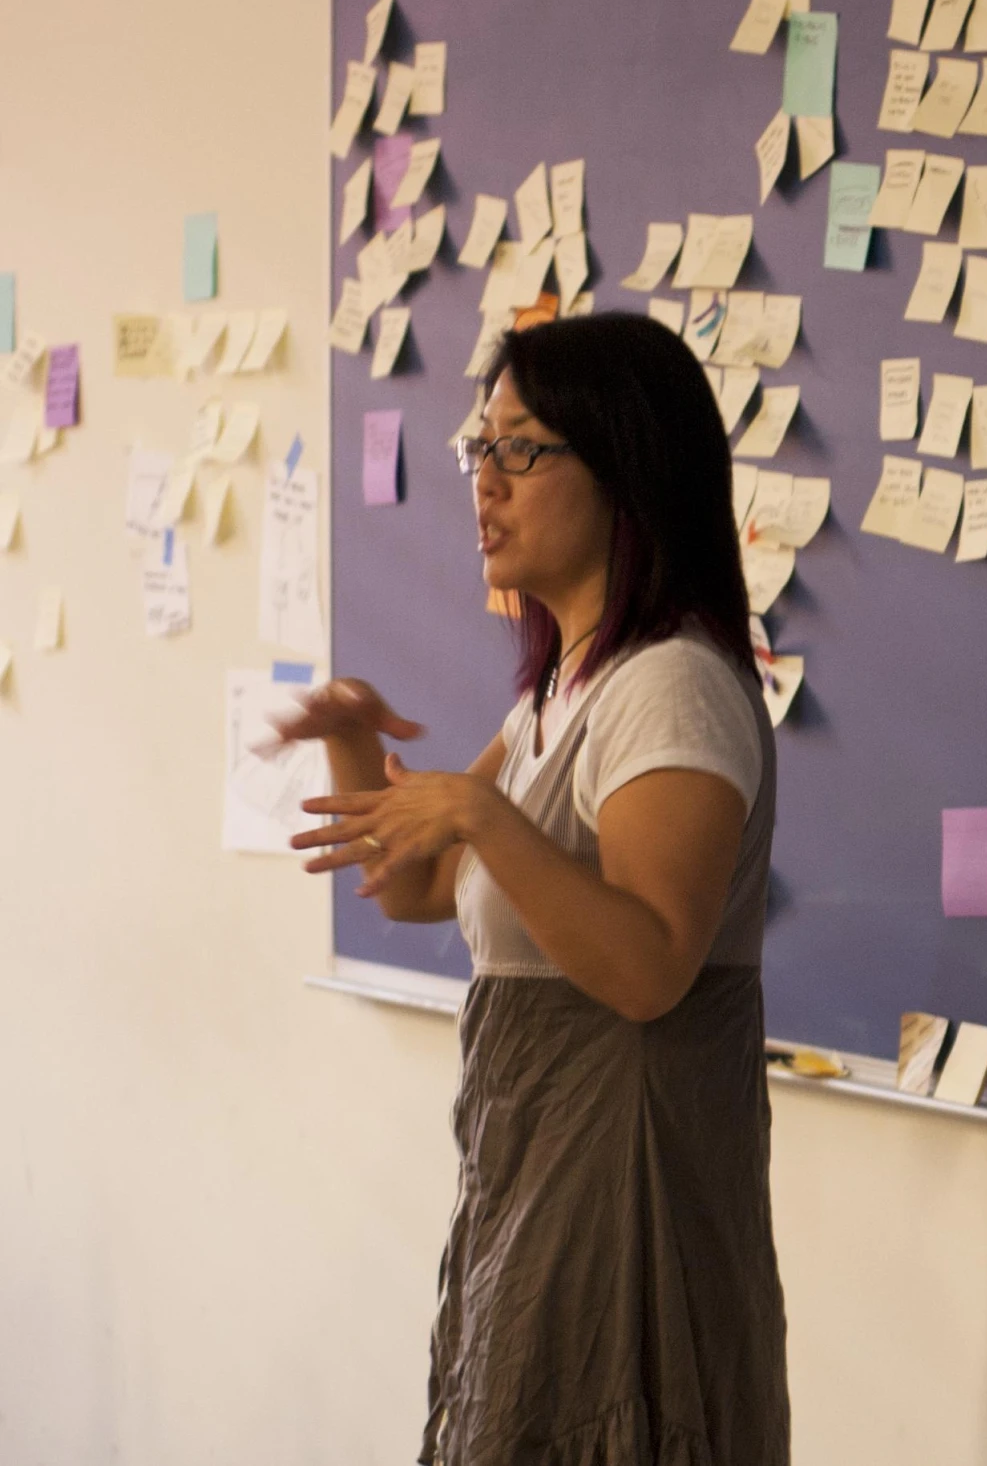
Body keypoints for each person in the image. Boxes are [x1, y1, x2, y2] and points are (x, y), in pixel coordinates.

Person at [278, 313, 790, 1465]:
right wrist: (358, 744)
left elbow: (652, 963)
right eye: (482, 450)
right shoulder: (564, 689)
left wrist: (475, 808)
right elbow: (425, 891)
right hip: (535, 1170)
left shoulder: (673, 690)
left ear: (625, 469)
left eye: (524, 450)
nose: (486, 484)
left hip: (628, 1191)